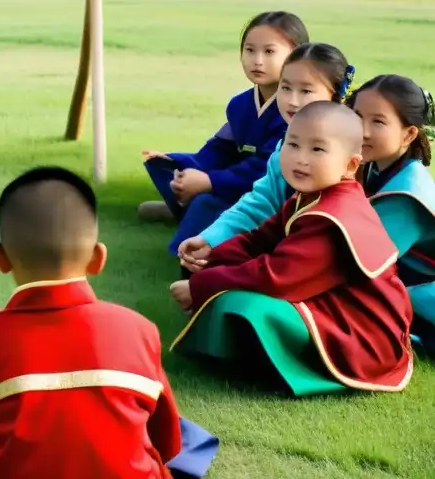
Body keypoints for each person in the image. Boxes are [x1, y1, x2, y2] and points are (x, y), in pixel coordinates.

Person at [0, 167, 219, 479]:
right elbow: (168, 441)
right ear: (98, 258)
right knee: (171, 426)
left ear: (0, 258)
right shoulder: (139, 330)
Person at [169, 101, 414, 397]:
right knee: (229, 292)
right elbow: (259, 239)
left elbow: (276, 277)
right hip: (333, 304)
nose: (301, 159)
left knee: (248, 307)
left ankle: (266, 371)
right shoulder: (309, 197)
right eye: (293, 144)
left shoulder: (332, 217)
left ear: (350, 165)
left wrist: (201, 284)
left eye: (318, 150)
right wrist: (211, 254)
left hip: (365, 335)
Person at [138, 11, 309, 256]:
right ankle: (182, 207)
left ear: (296, 55)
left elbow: (264, 168)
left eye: (269, 52)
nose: (257, 60)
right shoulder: (240, 104)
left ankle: (192, 216)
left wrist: (210, 182)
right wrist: (185, 163)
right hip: (234, 176)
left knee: (207, 202)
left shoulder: (295, 108)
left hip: (266, 187)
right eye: (250, 50)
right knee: (164, 165)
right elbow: (220, 147)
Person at [177, 42, 352, 272]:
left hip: (321, 260)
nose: (292, 100)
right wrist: (211, 238)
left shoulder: (345, 150)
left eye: (306, 91)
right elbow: (261, 201)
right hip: (284, 245)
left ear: (335, 94)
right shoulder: (284, 145)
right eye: (286, 87)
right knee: (207, 262)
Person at [348, 75, 435, 352]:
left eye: (378, 121)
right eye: (357, 116)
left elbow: (360, 264)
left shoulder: (407, 195)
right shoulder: (373, 166)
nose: (362, 130)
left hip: (423, 296)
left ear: (409, 134)